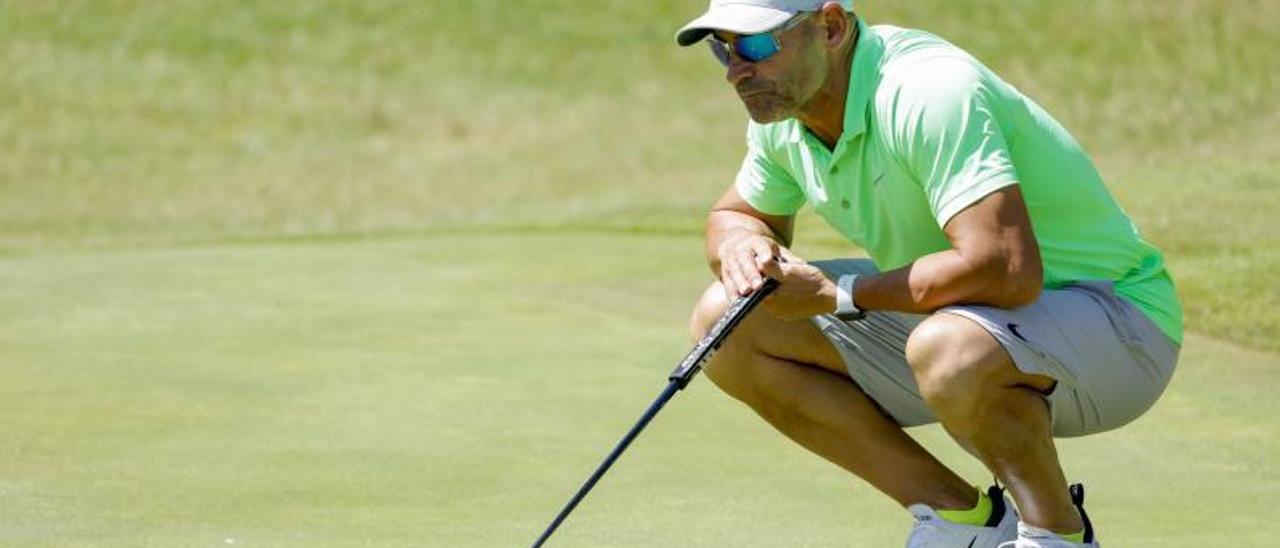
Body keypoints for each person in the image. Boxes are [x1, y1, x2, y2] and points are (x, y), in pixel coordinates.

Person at [674, 1, 1183, 546]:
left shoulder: (928, 91)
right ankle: (964, 522)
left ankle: (1056, 532)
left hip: (1118, 326)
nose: (735, 68)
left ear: (831, 27)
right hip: (970, 321)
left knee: (948, 348)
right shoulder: (787, 114)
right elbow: (736, 215)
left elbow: (1007, 269)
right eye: (721, 47)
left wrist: (838, 294)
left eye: (755, 45)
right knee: (726, 322)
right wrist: (743, 248)